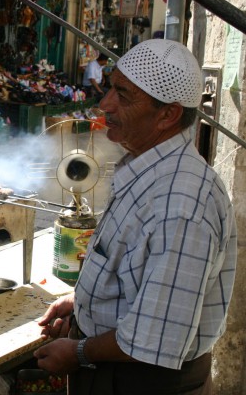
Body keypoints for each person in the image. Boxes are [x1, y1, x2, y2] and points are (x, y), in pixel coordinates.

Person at [34, 39, 237, 394]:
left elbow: (156, 338)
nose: (105, 103)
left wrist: (78, 351)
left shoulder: (181, 204)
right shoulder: (148, 170)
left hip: (142, 382)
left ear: (167, 115)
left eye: (124, 96)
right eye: (111, 87)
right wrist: (84, 303)